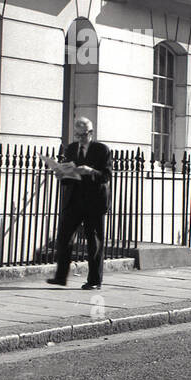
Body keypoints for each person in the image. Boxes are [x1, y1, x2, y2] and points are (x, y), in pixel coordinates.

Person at [47, 116, 112, 290]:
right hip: (74, 200)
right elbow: (68, 176)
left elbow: (106, 176)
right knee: (64, 238)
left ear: (90, 133)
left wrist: (90, 171)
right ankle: (60, 277)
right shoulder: (71, 149)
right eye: (77, 135)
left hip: (94, 202)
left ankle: (94, 281)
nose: (80, 139)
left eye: (83, 135)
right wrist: (61, 174)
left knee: (94, 242)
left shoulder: (102, 149)